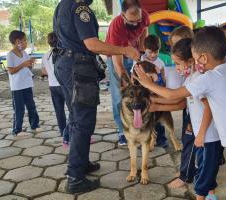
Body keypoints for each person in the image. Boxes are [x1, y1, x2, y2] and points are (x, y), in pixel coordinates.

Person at [135, 26, 226, 200]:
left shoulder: (209, 78)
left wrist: (147, 83)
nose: (195, 63)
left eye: (195, 58)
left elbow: (173, 95)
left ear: (203, 58)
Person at [53, 0, 140, 194]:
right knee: (83, 122)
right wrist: (124, 50)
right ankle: (75, 178)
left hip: (65, 64)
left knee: (77, 119)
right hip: (77, 68)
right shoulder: (81, 8)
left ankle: (81, 164)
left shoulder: (63, 5)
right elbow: (91, 44)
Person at [173, 38, 222, 200]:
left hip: (208, 136)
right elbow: (178, 100)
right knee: (206, 170)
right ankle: (211, 195)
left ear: (190, 60)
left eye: (178, 63)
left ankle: (204, 196)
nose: (177, 68)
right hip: (204, 135)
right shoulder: (191, 78)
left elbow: (209, 108)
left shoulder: (199, 80)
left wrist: (200, 134)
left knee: (204, 172)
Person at [105, 0, 150, 146]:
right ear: (123, 15)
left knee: (138, 93)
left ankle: (139, 126)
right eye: (132, 21)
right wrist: (128, 84)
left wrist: (142, 52)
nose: (136, 23)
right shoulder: (116, 27)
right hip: (116, 56)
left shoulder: (143, 16)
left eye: (138, 20)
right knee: (120, 96)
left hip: (133, 53)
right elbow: (119, 64)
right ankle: (122, 131)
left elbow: (144, 30)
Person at [166, 26, 196, 189]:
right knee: (188, 141)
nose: (175, 50)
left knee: (190, 142)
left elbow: (176, 98)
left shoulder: (197, 77)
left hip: (197, 118)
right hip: (191, 112)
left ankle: (186, 175)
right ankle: (187, 170)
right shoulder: (189, 74)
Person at [6, 30, 40, 137]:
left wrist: (30, 63)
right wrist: (23, 64)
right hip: (17, 87)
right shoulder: (10, 55)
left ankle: (34, 125)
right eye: (24, 40)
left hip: (27, 84)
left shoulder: (24, 53)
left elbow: (27, 67)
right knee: (19, 109)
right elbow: (11, 71)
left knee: (31, 106)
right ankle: (17, 129)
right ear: (17, 41)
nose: (26, 43)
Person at [41, 32, 69, 147]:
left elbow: (43, 71)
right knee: (72, 110)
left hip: (52, 86)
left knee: (59, 111)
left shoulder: (45, 54)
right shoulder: (63, 53)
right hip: (64, 85)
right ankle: (71, 133)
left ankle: (63, 131)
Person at [140, 35, 168, 147]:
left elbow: (164, 79)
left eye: (156, 52)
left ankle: (161, 139)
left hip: (157, 93)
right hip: (144, 95)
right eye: (150, 52)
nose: (153, 55)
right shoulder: (140, 60)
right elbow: (134, 76)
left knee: (158, 117)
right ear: (144, 48)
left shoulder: (160, 63)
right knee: (145, 117)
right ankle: (146, 139)